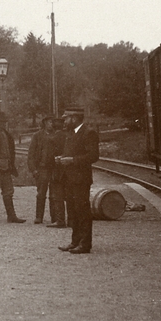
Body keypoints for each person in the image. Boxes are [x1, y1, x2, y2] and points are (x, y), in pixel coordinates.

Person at [56, 105, 100, 254]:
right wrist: (62, 158)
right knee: (73, 211)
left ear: (74, 118)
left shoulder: (88, 133)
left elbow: (93, 156)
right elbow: (73, 152)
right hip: (69, 179)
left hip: (81, 179)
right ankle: (75, 241)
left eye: (66, 119)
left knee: (82, 211)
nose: (64, 121)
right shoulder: (71, 133)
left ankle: (85, 244)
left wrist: (72, 160)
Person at [27, 116, 65, 226]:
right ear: (44, 123)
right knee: (41, 193)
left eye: (52, 122)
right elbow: (31, 154)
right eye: (49, 122)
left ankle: (55, 217)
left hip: (54, 168)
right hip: (42, 168)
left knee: (54, 194)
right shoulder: (37, 136)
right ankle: (39, 217)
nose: (51, 124)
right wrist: (33, 169)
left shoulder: (57, 135)